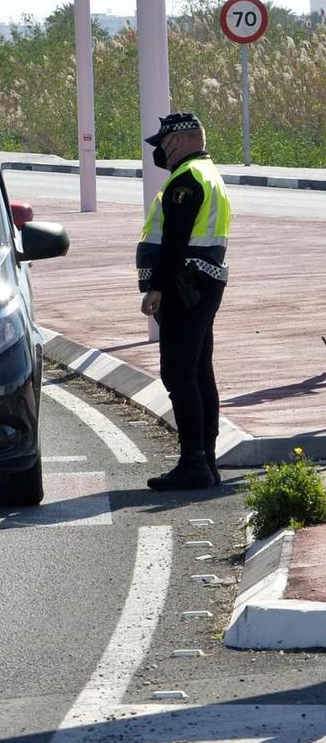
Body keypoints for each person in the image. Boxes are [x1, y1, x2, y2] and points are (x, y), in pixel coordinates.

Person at [137, 111, 233, 491]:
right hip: (201, 283)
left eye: (162, 143)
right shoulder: (208, 175)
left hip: (184, 285)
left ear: (179, 140)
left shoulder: (188, 179)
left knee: (179, 372)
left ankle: (193, 463)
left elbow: (175, 239)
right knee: (198, 371)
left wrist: (156, 288)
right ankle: (205, 461)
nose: (160, 150)